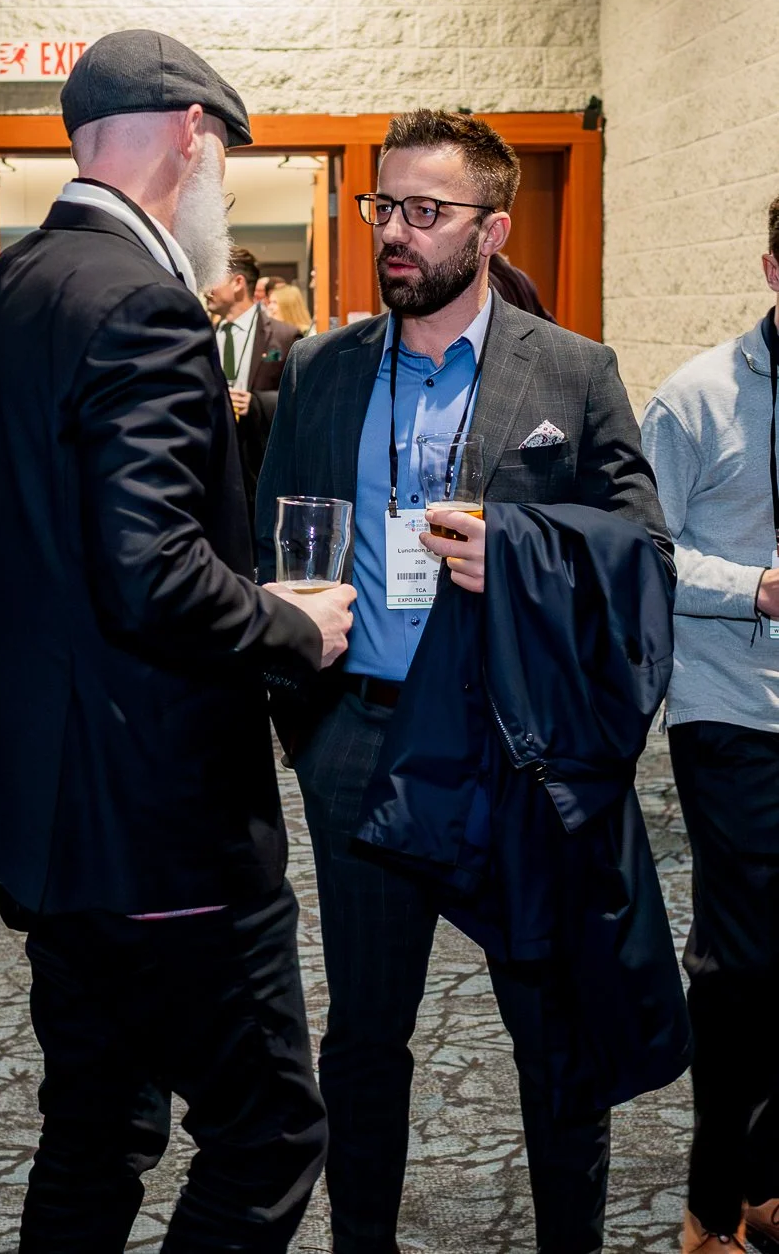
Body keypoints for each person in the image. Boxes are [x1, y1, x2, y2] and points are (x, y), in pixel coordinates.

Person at [0, 29, 356, 1253]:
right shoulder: (144, 302)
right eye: (220, 157)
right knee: (266, 1135)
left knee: (96, 1126)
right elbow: (150, 570)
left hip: (41, 811)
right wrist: (291, 621)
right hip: (154, 818)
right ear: (191, 138)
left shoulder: (0, 291)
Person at [257, 108, 675, 1254]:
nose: (393, 231)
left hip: (510, 749)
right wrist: (306, 717)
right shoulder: (321, 370)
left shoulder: (572, 371)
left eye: (425, 211)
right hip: (361, 743)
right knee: (364, 1035)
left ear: (490, 231)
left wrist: (523, 553)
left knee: (550, 1024)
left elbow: (642, 546)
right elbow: (269, 537)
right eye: (381, 206)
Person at [641, 195, 779, 1254]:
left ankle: (768, 1182)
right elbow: (642, 550)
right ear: (772, 270)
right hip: (731, 712)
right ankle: (710, 1205)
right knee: (742, 967)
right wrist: (756, 587)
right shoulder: (695, 400)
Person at [204, 248, 300, 525]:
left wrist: (257, 402)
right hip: (215, 469)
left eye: (213, 279)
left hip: (261, 467)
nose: (206, 289)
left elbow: (302, 400)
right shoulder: (202, 336)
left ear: (238, 283)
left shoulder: (284, 336)